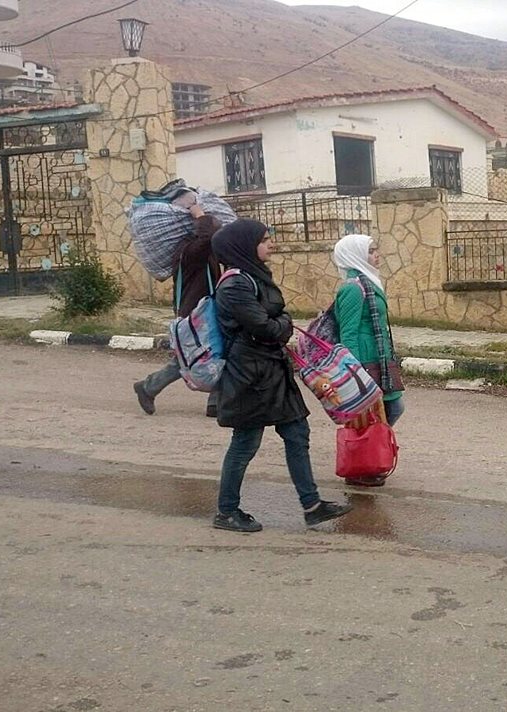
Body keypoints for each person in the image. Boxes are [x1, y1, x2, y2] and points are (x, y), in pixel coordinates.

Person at [210, 219, 351, 532]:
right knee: (245, 442)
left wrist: (279, 323)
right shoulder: (235, 285)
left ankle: (312, 505)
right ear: (245, 246)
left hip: (271, 370)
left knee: (297, 433)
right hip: (250, 376)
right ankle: (226, 511)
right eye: (263, 239)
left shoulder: (252, 277)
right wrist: (283, 324)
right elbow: (264, 327)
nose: (270, 243)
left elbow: (272, 323)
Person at [132, 191, 222, 417]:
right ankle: (148, 387)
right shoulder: (189, 251)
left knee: (214, 352)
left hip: (204, 311)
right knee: (190, 358)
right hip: (195, 313)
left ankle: (216, 400)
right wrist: (199, 213)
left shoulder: (203, 250)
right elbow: (207, 237)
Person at [332, 233, 405, 486]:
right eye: (372, 250)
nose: (377, 255)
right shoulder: (353, 288)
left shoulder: (368, 281)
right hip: (366, 361)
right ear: (356, 255)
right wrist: (355, 372)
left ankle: (369, 458)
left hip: (380, 357)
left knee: (388, 409)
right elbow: (348, 333)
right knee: (376, 413)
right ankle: (361, 463)